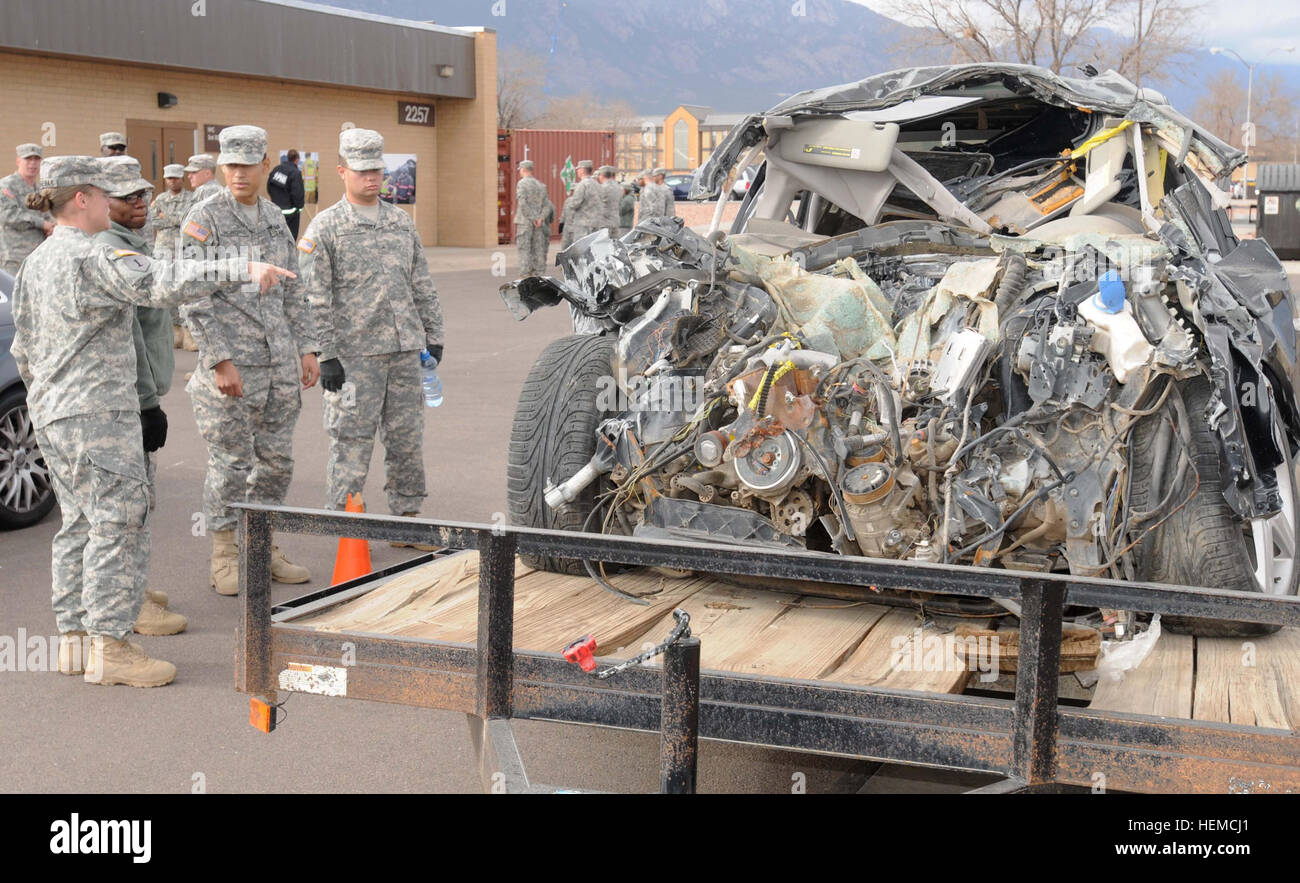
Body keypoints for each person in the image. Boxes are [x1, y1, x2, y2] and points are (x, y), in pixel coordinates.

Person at [10, 155, 294, 686]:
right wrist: (243, 268)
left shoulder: (36, 260)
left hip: (53, 415)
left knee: (80, 524)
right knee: (119, 523)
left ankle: (75, 641)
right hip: (98, 415)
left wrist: (50, 396)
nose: (114, 203)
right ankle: (112, 647)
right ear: (83, 198)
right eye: (105, 194)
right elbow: (163, 281)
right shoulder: (92, 255)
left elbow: (22, 348)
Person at [179, 125, 321, 595]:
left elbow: (293, 289)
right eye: (230, 165)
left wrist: (306, 347)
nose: (239, 173)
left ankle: (261, 545)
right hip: (233, 367)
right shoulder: (205, 218)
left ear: (266, 166)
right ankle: (224, 553)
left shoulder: (273, 218)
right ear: (222, 167)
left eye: (248, 164)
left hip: (278, 364)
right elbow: (191, 296)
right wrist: (218, 360)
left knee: (277, 463)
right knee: (231, 463)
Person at [299, 128, 445, 549]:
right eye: (361, 171)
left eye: (376, 170)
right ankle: (348, 529)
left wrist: (433, 335)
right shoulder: (325, 227)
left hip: (403, 351)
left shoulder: (400, 222)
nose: (371, 178)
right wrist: (325, 353)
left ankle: (408, 522)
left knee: (406, 440)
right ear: (342, 171)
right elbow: (314, 296)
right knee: (351, 442)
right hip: (353, 357)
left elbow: (422, 283)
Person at [94, 156, 189, 638]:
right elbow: (128, 336)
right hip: (128, 398)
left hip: (140, 392)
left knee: (141, 499)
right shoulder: (111, 250)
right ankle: (128, 603)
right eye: (127, 197)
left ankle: (135, 585)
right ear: (99, 201)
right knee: (128, 507)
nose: (139, 202)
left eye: (142, 194)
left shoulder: (134, 241)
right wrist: (148, 402)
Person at [149, 164, 196, 350]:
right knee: (166, 288)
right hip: (163, 250)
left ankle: (188, 334)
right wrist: (175, 219)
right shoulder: (160, 199)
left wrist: (167, 218)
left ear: (182, 179)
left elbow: (188, 221)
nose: (172, 181)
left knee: (185, 288)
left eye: (176, 178)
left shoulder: (191, 199)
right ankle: (174, 332)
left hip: (183, 249)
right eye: (169, 178)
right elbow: (154, 220)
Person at [0, 144, 53, 273]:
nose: (33, 164)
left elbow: (48, 214)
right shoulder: (7, 186)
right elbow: (8, 215)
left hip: (38, 256)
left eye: (36, 159)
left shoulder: (40, 189)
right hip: (14, 257)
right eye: (28, 159)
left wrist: (52, 226)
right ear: (18, 161)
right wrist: (42, 224)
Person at [513, 159, 550, 276]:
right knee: (538, 248)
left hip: (525, 222)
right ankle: (538, 273)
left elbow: (522, 203)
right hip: (539, 223)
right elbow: (547, 206)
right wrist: (540, 218)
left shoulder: (522, 184)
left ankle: (525, 274)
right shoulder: (541, 185)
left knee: (524, 248)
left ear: (523, 170)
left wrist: (532, 218)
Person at [560, 159, 600, 248]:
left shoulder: (582, 185)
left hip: (583, 225)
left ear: (582, 170)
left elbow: (575, 203)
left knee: (581, 251)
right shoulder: (596, 184)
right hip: (595, 224)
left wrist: (568, 204)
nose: (577, 171)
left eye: (578, 169)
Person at [267, 149, 306, 239]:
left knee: (275, 238)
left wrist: (274, 200)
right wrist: (299, 207)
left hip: (275, 212)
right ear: (297, 159)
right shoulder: (295, 173)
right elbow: (298, 194)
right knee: (289, 239)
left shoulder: (276, 169)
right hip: (290, 215)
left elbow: (269, 186)